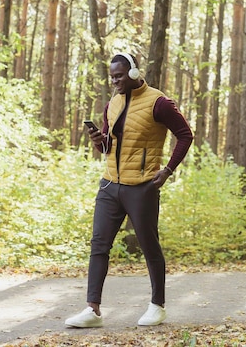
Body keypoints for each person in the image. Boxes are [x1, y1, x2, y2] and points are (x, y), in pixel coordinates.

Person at [65, 52, 193, 328]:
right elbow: (108, 149)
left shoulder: (158, 103)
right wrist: (98, 141)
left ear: (134, 73)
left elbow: (185, 135)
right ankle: (92, 310)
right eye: (112, 77)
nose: (115, 81)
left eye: (119, 76)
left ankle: (157, 306)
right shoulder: (112, 104)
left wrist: (168, 170)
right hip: (110, 185)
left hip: (141, 187)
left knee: (149, 246)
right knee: (99, 245)